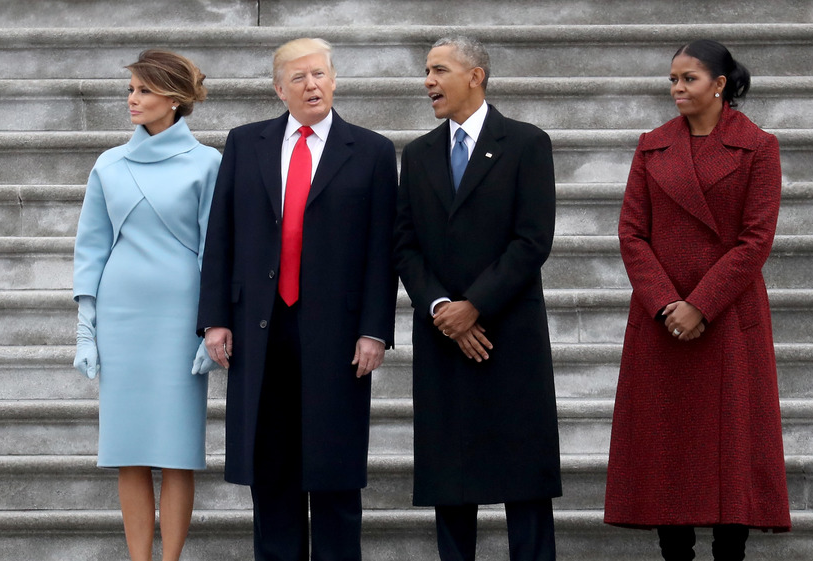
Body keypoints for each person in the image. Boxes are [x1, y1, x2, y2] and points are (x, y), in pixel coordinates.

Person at [196, 38, 398, 560]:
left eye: (321, 74)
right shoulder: (246, 143)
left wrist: (375, 328)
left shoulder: (372, 150)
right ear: (279, 88)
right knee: (273, 471)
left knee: (333, 473)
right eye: (300, 77)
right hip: (261, 327)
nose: (313, 85)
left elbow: (382, 249)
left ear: (334, 80)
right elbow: (222, 234)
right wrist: (215, 318)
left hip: (338, 332)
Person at [604, 39, 792, 560]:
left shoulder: (758, 146)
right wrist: (668, 303)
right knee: (669, 458)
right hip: (661, 321)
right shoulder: (652, 145)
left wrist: (701, 304)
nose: (677, 89)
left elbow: (756, 239)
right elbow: (631, 234)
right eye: (672, 80)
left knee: (731, 457)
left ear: (719, 84)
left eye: (688, 79)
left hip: (727, 318)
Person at [394, 36, 562, 561]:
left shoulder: (526, 143)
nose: (428, 82)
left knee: (524, 479)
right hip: (444, 337)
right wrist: (445, 309)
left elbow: (533, 239)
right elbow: (405, 244)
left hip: (508, 334)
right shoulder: (419, 154)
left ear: (476, 75)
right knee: (451, 480)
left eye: (439, 70)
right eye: (426, 71)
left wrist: (476, 305)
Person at [72, 49, 222, 561]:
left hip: (181, 317)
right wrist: (85, 326)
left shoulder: (209, 164)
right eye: (130, 90)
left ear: (174, 99)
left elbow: (213, 249)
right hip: (121, 316)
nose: (132, 100)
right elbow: (91, 247)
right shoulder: (108, 164)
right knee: (128, 453)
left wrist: (211, 324)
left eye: (143, 90)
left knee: (177, 453)